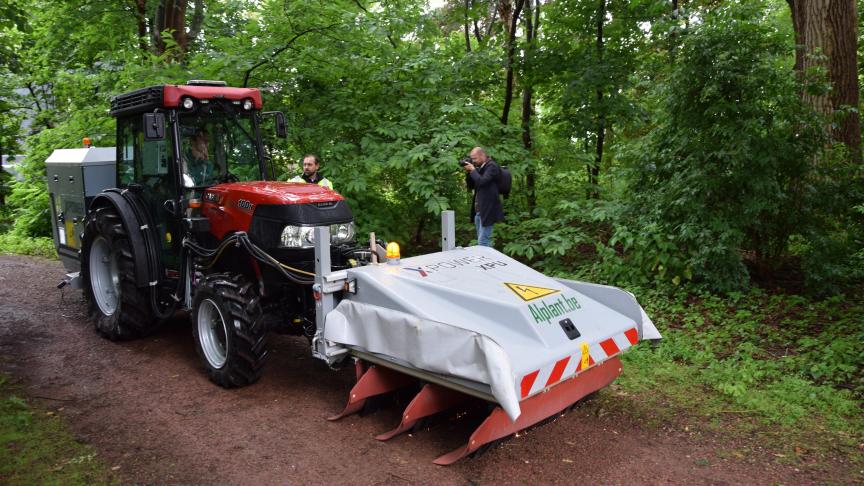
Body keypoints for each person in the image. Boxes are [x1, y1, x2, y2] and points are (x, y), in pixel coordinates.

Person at [463, 146, 504, 247]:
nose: (473, 161)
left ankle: (489, 262)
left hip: (488, 209)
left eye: (475, 158)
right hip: (479, 211)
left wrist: (473, 170)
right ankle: (491, 259)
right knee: (483, 241)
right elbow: (471, 186)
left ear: (482, 155)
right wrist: (469, 173)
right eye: (472, 158)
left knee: (483, 242)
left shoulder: (492, 166)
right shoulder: (480, 168)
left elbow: (482, 182)